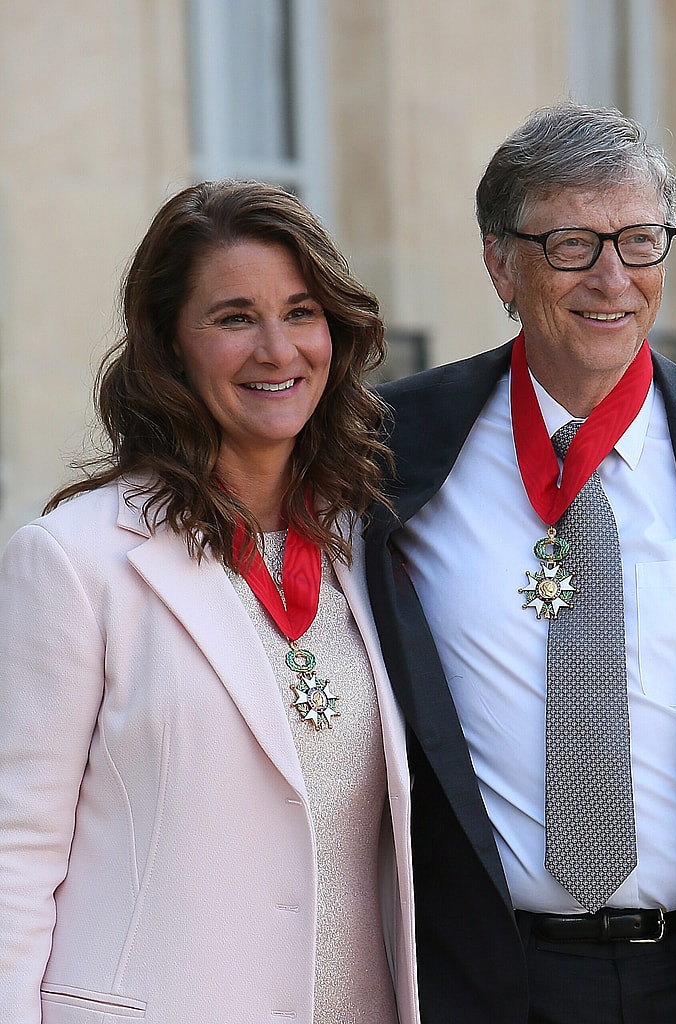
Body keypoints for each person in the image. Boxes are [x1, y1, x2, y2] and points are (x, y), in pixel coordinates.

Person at [364, 103, 676, 1024]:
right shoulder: (387, 453)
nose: (612, 279)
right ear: (499, 263)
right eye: (570, 245)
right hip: (487, 980)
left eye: (639, 241)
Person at [0, 180, 420, 1024]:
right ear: (170, 346)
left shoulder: (371, 548)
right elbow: (13, 855)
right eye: (234, 318)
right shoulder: (73, 563)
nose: (277, 349)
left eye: (301, 313)